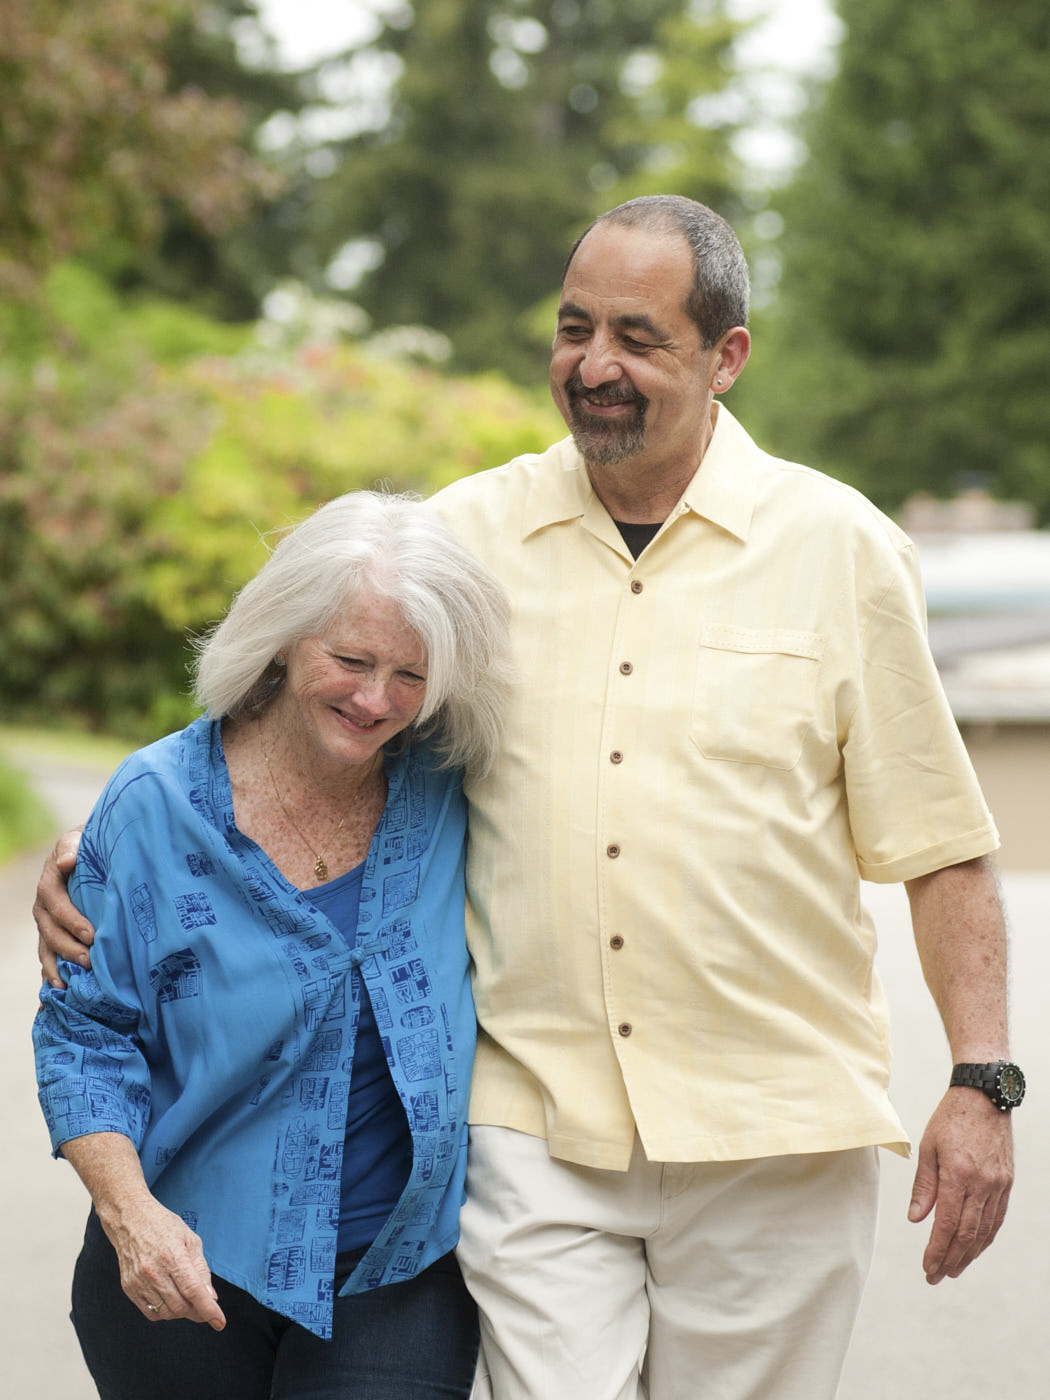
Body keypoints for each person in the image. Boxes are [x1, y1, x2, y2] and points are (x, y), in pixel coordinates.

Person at [37, 197, 1021, 1400]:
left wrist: (983, 1079)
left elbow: (943, 846)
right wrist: (111, 840)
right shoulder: (466, 536)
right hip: (532, 1123)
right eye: (574, 328)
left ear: (728, 356)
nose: (594, 366)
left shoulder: (846, 550)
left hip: (776, 1124)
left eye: (640, 338)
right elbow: (298, 690)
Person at [32, 490, 510, 1400]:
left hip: (394, 1266)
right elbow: (83, 1037)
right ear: (286, 636)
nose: (377, 700)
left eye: (411, 675)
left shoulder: (453, 787)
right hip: (185, 1256)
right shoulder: (155, 805)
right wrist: (130, 1216)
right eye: (351, 659)